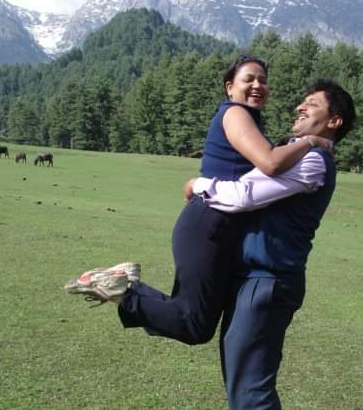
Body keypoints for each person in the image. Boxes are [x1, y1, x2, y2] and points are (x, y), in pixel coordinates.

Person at [65, 55, 331, 345]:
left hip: (219, 227)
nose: (258, 85)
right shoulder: (235, 113)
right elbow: (270, 162)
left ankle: (123, 285)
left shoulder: (250, 120)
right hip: (209, 224)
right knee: (194, 325)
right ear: (230, 87)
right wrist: (311, 141)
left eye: (263, 81)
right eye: (249, 79)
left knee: (195, 320)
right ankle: (121, 290)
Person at [192, 79, 356, 410]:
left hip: (267, 281)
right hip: (256, 280)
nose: (300, 107)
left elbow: (243, 196)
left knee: (250, 389)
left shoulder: (313, 160)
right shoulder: (298, 152)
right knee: (244, 386)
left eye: (311, 104)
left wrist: (198, 185)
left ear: (334, 121)